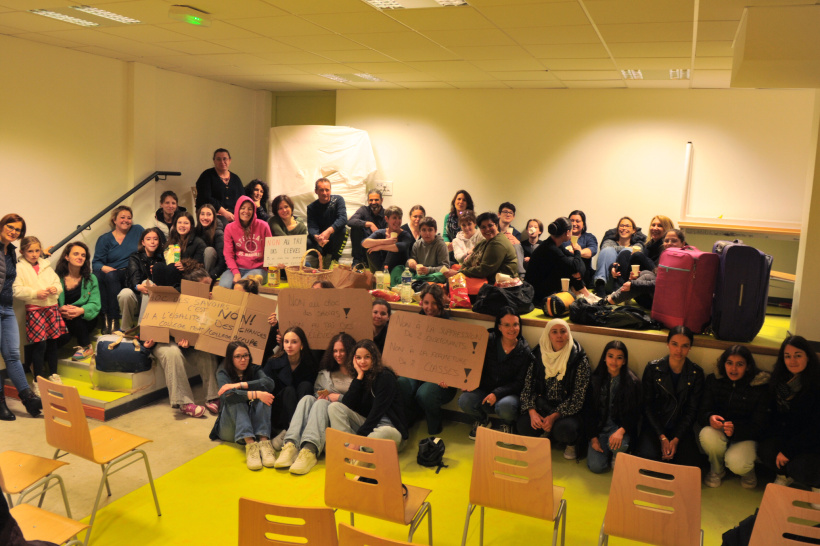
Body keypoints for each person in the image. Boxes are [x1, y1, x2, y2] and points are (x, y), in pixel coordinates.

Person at [274, 333, 356, 475]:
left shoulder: (358, 373)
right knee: (307, 399)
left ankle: (309, 451)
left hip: (342, 419)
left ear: (350, 351)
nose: (338, 354)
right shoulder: (325, 373)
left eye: (342, 350)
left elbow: (361, 401)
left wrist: (339, 398)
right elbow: (316, 395)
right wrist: (320, 398)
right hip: (320, 422)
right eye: (335, 351)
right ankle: (290, 445)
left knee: (322, 404)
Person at [144, 266, 220, 418]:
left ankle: (213, 397)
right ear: (193, 286)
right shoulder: (166, 296)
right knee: (173, 353)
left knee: (206, 352)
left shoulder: (208, 301)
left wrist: (211, 307)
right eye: (204, 286)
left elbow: (207, 332)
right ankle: (184, 402)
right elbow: (147, 326)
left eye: (209, 285)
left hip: (187, 343)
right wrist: (147, 344)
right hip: (163, 342)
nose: (208, 289)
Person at [517, 318, 590, 460]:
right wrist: (532, 412)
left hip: (566, 411)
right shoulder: (538, 354)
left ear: (568, 334)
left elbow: (578, 397)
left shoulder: (579, 359)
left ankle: (570, 443)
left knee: (564, 430)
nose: (559, 336)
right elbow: (528, 386)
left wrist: (554, 416)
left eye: (563, 331)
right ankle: (545, 432)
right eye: (554, 332)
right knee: (523, 424)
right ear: (548, 335)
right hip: (542, 405)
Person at [698, 345, 769, 488]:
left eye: (739, 364)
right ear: (724, 364)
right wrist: (710, 418)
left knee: (738, 463)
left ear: (748, 367)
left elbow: (761, 425)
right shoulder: (714, 380)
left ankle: (747, 471)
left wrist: (737, 430)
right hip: (720, 430)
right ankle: (717, 469)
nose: (733, 369)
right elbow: (702, 411)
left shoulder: (760, 386)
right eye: (729, 363)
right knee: (706, 434)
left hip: (746, 435)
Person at [636, 326, 705, 468]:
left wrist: (676, 439)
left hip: (680, 429)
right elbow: (647, 406)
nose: (679, 350)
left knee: (690, 466)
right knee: (646, 462)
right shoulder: (652, 369)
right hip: (655, 427)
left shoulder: (696, 373)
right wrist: (662, 436)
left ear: (690, 347)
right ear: (667, 344)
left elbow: (692, 410)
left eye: (684, 346)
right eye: (674, 344)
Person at [759, 336, 820, 493]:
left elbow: (815, 428)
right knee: (766, 449)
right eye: (787, 356)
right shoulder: (779, 381)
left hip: (812, 441)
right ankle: (784, 475)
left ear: (808, 356)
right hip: (788, 435)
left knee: (802, 466)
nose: (792, 360)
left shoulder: (816, 383)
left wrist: (789, 450)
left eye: (798, 355)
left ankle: (816, 485)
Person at [459, 308, 531, 438]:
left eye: (515, 324)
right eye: (507, 325)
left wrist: (497, 394)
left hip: (508, 394)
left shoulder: (524, 351)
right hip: (484, 389)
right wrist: (468, 380)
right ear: (499, 327)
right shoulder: (488, 341)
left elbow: (520, 383)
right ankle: (482, 420)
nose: (512, 329)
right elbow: (473, 363)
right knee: (464, 400)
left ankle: (507, 424)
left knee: (506, 407)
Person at [397, 284, 456, 435]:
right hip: (416, 372)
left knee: (425, 393)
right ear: (421, 303)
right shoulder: (415, 324)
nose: (430, 307)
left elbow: (455, 360)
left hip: (440, 379)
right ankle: (409, 419)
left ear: (441, 303)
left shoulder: (451, 327)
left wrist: (447, 376)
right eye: (426, 303)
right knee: (402, 383)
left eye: (434, 303)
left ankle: (434, 428)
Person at [327, 339, 408, 449]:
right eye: (358, 358)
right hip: (368, 427)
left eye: (367, 357)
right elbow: (348, 403)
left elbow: (377, 413)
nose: (362, 361)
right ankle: (348, 449)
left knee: (384, 432)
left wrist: (359, 439)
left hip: (390, 430)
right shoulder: (361, 376)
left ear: (374, 358)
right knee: (335, 407)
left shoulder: (385, 377)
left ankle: (356, 450)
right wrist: (359, 376)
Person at [210, 341, 276, 470]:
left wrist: (239, 385)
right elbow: (228, 396)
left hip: (251, 423)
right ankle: (251, 446)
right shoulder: (223, 372)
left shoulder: (254, 368)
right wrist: (256, 393)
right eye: (238, 356)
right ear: (230, 358)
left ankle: (264, 442)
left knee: (265, 396)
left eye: (246, 355)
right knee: (236, 399)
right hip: (229, 427)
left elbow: (269, 383)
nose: (243, 360)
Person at [0, 214, 42, 419]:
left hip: (6, 308)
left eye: (17, 230)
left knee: (13, 355)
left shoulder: (11, 251)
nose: (13, 231)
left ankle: (28, 399)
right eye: (10, 226)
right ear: (2, 225)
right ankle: (1, 403)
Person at [12, 237, 65, 384]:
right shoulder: (19, 268)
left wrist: (55, 289)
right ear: (22, 252)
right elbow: (16, 290)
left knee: (53, 342)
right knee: (39, 344)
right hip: (35, 310)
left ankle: (54, 374)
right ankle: (38, 380)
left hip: (51, 307)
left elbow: (57, 283)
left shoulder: (45, 265)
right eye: (30, 251)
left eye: (37, 250)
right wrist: (35, 294)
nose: (34, 254)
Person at [585, 340, 642, 474]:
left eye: (619, 358)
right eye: (610, 356)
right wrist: (593, 438)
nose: (614, 361)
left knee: (619, 445)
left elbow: (635, 412)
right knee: (596, 466)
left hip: (619, 429)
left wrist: (621, 431)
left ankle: (616, 453)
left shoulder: (632, 382)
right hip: (599, 429)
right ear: (604, 358)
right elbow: (588, 411)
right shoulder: (595, 380)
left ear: (624, 361)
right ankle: (606, 450)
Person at [262, 326, 319, 450]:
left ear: (302, 345)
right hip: (280, 410)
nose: (289, 345)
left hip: (303, 411)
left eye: (294, 342)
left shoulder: (310, 363)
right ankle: (291, 431)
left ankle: (298, 431)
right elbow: (264, 386)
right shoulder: (273, 362)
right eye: (286, 342)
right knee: (289, 391)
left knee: (305, 385)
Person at [92, 205, 144, 334]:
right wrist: (105, 267)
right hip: (112, 273)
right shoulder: (104, 239)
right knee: (98, 275)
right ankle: (105, 318)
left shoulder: (137, 230)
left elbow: (151, 239)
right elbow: (96, 263)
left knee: (111, 276)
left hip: (130, 272)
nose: (126, 220)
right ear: (114, 220)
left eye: (129, 218)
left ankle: (114, 318)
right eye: (122, 217)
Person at [525, 217, 599, 306]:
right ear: (567, 232)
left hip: (545, 283)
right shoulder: (551, 248)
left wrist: (579, 270)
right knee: (568, 267)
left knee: (570, 263)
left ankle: (586, 294)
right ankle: (586, 295)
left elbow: (576, 262)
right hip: (537, 292)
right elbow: (575, 265)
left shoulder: (555, 244)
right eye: (571, 231)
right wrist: (577, 251)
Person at [605, 229, 687, 307]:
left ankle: (609, 300)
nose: (669, 243)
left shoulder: (682, 260)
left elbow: (662, 284)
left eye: (674, 241)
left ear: (683, 243)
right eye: (666, 241)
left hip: (668, 304)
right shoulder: (664, 254)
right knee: (645, 273)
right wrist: (633, 279)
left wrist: (633, 284)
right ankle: (612, 298)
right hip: (657, 297)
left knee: (645, 275)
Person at [55, 242, 100, 362]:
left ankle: (86, 346)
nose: (80, 257)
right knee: (64, 337)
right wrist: (60, 309)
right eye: (76, 254)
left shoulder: (91, 278)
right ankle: (39, 363)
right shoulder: (56, 278)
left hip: (86, 318)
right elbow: (50, 301)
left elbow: (96, 304)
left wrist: (80, 310)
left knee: (76, 316)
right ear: (67, 256)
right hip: (63, 317)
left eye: (83, 255)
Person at [444, 212, 518, 284]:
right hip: (487, 278)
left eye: (490, 225)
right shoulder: (485, 241)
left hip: (503, 283)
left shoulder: (497, 243)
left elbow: (484, 270)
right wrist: (459, 271)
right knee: (452, 281)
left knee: (454, 283)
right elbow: (470, 260)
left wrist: (459, 272)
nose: (487, 229)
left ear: (496, 225)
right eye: (483, 227)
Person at [218, 196, 271, 289]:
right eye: (243, 208)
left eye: (250, 209)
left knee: (241, 287)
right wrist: (236, 272)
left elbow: (271, 250)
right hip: (236, 268)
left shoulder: (264, 226)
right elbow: (228, 254)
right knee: (224, 287)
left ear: (253, 211)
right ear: (237, 209)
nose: (246, 211)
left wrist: (276, 265)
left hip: (258, 269)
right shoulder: (229, 228)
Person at [611, 215, 675, 292]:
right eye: (653, 225)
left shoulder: (668, 247)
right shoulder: (648, 245)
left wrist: (639, 256)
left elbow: (656, 270)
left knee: (637, 255)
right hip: (641, 279)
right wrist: (614, 266)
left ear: (667, 229)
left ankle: (620, 293)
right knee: (625, 253)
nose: (655, 228)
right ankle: (618, 290)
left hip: (653, 284)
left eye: (660, 226)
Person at [593, 216, 646, 298]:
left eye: (627, 226)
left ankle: (619, 294)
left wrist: (627, 250)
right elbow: (604, 249)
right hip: (608, 279)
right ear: (617, 229)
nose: (624, 228)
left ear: (634, 230)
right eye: (621, 226)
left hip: (625, 283)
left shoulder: (637, 245)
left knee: (627, 252)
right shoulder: (609, 241)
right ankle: (599, 285)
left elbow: (640, 251)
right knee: (608, 250)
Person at [122, 228, 164, 330]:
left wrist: (157, 271)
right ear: (143, 242)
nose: (152, 242)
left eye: (155, 239)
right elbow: (134, 281)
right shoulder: (135, 257)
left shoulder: (161, 260)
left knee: (147, 284)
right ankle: (125, 329)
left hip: (154, 299)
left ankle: (142, 327)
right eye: (148, 239)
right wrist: (139, 286)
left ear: (159, 242)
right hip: (137, 297)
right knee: (125, 293)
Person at [152, 212, 207, 290]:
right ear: (175, 225)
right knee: (158, 267)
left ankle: (168, 294)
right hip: (171, 274)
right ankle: (158, 293)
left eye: (186, 223)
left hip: (188, 276)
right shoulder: (171, 241)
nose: (182, 225)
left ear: (191, 226)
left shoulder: (198, 242)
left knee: (172, 267)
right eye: (179, 222)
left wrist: (185, 266)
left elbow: (200, 265)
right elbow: (166, 261)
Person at [195, 148, 243, 226]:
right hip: (213, 214)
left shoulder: (236, 179)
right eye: (218, 159)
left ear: (230, 160)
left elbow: (241, 198)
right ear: (214, 161)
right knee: (224, 224)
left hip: (234, 215)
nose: (222, 162)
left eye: (225, 159)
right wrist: (224, 212)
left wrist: (237, 215)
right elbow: (206, 198)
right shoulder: (206, 176)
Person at [362, 206, 415, 276]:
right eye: (394, 218)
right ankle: (380, 275)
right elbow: (364, 243)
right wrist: (386, 241)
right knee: (370, 250)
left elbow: (401, 247)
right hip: (381, 267)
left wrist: (380, 247)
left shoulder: (405, 234)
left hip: (399, 268)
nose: (398, 221)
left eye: (399, 218)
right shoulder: (381, 232)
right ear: (386, 219)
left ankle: (381, 276)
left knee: (393, 249)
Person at [306, 177, 347, 269]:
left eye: (327, 190)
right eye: (321, 190)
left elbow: (343, 218)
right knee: (308, 241)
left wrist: (329, 231)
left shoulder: (338, 200)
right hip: (320, 239)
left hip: (333, 237)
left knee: (344, 231)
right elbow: (311, 227)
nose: (325, 193)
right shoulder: (311, 207)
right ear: (316, 191)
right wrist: (317, 237)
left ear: (330, 190)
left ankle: (333, 259)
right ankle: (320, 258)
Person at [347, 189, 386, 267]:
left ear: (382, 200)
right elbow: (350, 222)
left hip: (378, 249)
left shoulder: (386, 214)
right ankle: (357, 261)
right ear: (368, 201)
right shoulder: (363, 210)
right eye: (371, 200)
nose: (373, 202)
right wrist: (369, 224)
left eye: (376, 200)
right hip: (363, 249)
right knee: (355, 227)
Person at [195, 204, 226, 281]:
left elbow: (222, 260)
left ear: (213, 217)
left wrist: (211, 275)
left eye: (209, 214)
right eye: (202, 214)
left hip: (214, 269)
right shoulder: (196, 231)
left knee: (209, 250)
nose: (205, 217)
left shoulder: (218, 233)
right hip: (199, 266)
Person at [567, 210, 598, 287]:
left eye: (577, 221)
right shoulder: (563, 237)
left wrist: (577, 252)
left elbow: (591, 251)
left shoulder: (589, 237)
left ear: (583, 224)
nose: (574, 224)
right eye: (572, 221)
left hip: (583, 274)